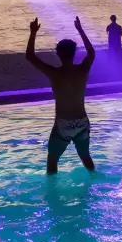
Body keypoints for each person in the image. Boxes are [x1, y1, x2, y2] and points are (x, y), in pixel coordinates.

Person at [25, 17, 96, 174]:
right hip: (82, 122)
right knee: (85, 158)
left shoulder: (55, 73)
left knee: (52, 161)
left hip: (64, 124)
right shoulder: (82, 70)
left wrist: (33, 33)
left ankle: (53, 195)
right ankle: (93, 181)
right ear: (74, 53)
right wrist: (80, 30)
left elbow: (30, 56)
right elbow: (91, 53)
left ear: (58, 54)